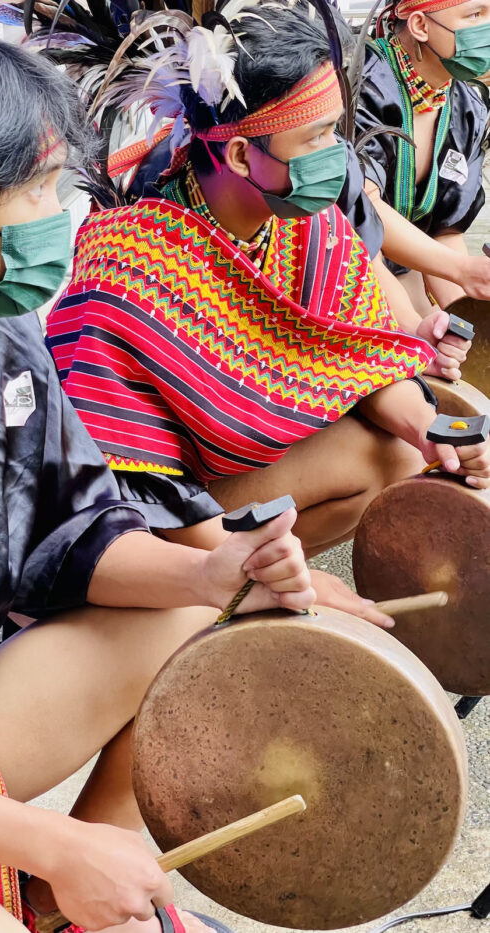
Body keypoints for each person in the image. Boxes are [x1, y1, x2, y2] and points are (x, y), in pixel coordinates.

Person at [0, 10, 320, 933]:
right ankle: (36, 874)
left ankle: (57, 900)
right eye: (42, 189)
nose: (66, 215)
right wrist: (48, 838)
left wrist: (213, 571)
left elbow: (68, 528)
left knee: (197, 619)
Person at [45, 1, 490, 560]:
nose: (337, 157)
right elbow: (126, 477)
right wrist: (221, 571)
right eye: (318, 138)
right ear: (237, 154)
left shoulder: (308, 221)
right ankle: (221, 592)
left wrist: (433, 432)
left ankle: (259, 586)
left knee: (402, 453)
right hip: (153, 506)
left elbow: (356, 357)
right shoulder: (131, 262)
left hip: (240, 467)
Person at [355, 0, 490, 315]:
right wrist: (461, 270)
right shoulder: (359, 87)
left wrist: (465, 313)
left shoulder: (467, 109)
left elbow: (445, 228)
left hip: (405, 268)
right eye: (475, 14)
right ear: (420, 25)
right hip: (346, 266)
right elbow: (362, 208)